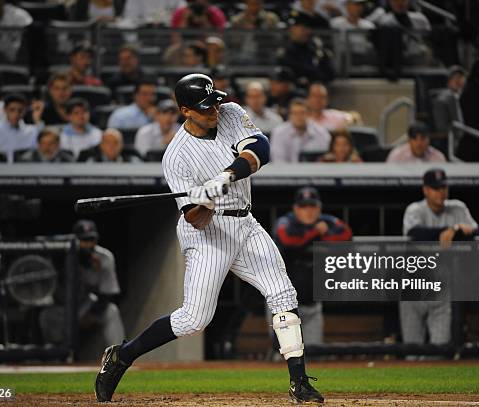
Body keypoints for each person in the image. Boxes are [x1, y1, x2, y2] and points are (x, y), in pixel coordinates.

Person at [95, 73, 324, 404]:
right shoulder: (176, 157)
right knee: (194, 318)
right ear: (185, 110)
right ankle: (122, 355)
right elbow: (195, 218)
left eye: (213, 101)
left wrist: (225, 177)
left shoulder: (229, 111)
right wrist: (205, 199)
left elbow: (261, 149)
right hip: (207, 233)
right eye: (204, 107)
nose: (214, 109)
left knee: (283, 293)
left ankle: (299, 382)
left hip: (245, 224)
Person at [401, 168, 479, 346]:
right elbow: (415, 233)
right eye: (436, 188)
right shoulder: (415, 209)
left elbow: (475, 231)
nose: (441, 192)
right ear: (425, 190)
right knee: (412, 351)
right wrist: (447, 231)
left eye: (444, 187)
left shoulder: (458, 208)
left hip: (441, 286)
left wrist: (456, 230)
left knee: (440, 349)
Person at [274, 187, 352, 345]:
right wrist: (315, 233)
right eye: (303, 206)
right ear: (295, 208)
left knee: (315, 353)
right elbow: (288, 240)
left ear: (319, 208)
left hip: (312, 304)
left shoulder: (327, 221)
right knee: (284, 353)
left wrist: (321, 235)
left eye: (312, 206)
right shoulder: (286, 222)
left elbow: (346, 235)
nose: (308, 211)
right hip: (284, 305)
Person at [40, 220, 125, 350]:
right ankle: (56, 355)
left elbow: (108, 293)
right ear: (75, 240)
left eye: (92, 239)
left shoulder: (104, 257)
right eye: (84, 240)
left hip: (88, 307)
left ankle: (118, 355)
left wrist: (92, 314)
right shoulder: (62, 255)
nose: (89, 244)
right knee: (46, 315)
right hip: (65, 309)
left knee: (111, 311)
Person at [277, 13, 335, 86]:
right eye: (293, 28)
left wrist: (312, 77)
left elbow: (330, 74)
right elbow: (287, 71)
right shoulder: (286, 50)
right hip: (294, 89)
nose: (305, 32)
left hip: (316, 88)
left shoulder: (316, 48)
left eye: (304, 29)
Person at [270, 98, 331, 163]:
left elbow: (323, 159)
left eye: (302, 113)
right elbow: (278, 161)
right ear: (289, 115)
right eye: (295, 113)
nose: (299, 117)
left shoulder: (321, 133)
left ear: (308, 114)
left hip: (315, 172)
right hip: (285, 172)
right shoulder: (279, 133)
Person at [0, 94, 43, 162]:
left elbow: (43, 147)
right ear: (4, 109)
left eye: (20, 110)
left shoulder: (33, 131)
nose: (16, 114)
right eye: (12, 110)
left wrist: (37, 120)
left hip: (26, 169)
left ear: (24, 111)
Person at [432, 65, 466, 135]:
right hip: (453, 138)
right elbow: (441, 127)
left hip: (469, 134)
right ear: (448, 81)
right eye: (455, 78)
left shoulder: (467, 97)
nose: (458, 81)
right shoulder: (442, 100)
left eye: (460, 77)